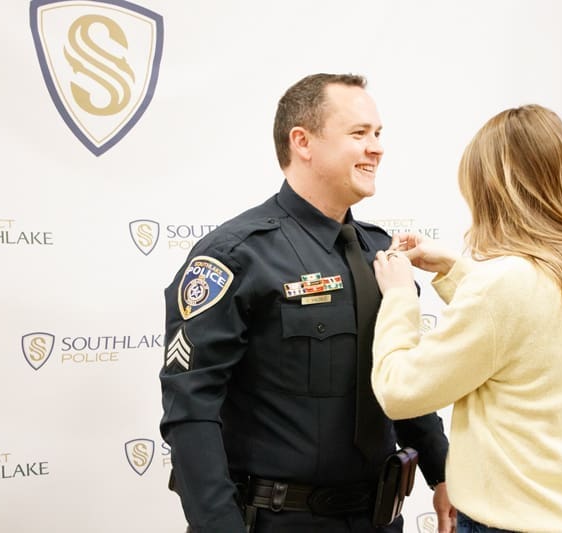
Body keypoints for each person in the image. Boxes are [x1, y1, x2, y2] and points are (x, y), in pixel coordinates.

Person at [159, 73, 452, 533]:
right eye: (359, 134)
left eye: (377, 134)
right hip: (280, 520)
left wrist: (443, 474)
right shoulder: (236, 254)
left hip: (380, 519)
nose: (376, 147)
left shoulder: (382, 257)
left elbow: (401, 381)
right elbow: (192, 409)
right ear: (303, 142)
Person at [371, 105, 562, 532]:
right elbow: (533, 333)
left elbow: (400, 390)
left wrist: (399, 296)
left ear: (491, 194)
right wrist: (455, 270)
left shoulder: (503, 287)